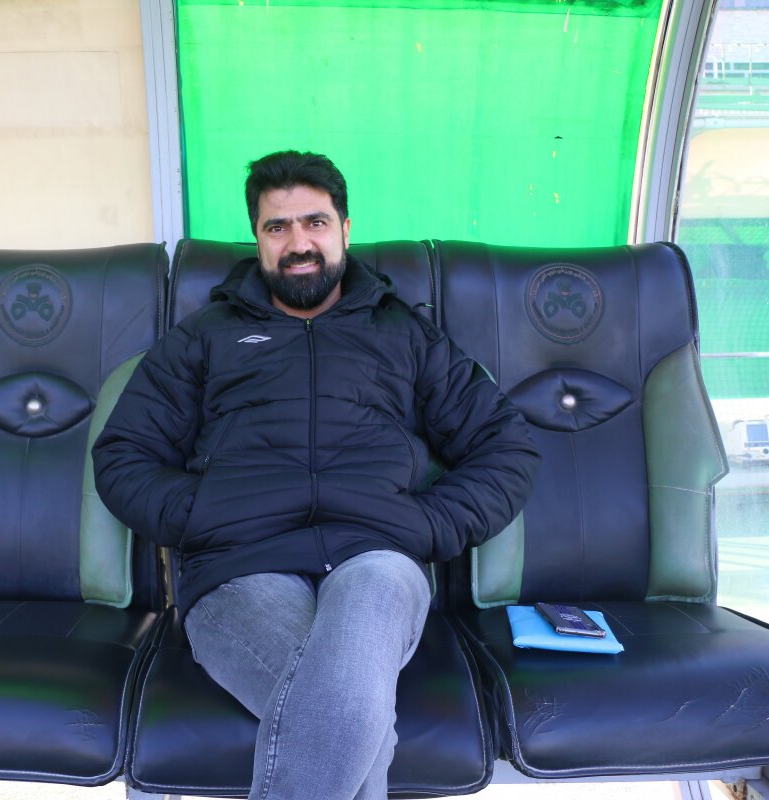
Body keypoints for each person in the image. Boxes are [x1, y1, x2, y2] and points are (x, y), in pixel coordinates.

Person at [93, 150, 539, 799]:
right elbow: (122, 455)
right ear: (257, 237)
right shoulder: (205, 337)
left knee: (348, 689)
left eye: (315, 222)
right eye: (278, 227)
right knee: (355, 716)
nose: (298, 243)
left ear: (345, 229)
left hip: (377, 558)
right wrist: (204, 512)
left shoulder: (404, 334)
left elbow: (507, 446)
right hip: (239, 567)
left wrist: (424, 523)